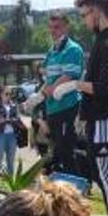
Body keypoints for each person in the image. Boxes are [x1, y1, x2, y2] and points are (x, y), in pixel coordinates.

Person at [59, 0, 108, 215]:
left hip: (105, 117)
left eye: (84, 15)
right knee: (100, 171)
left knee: (105, 173)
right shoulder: (106, 40)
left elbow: (107, 88)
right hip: (98, 117)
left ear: (97, 12)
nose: (83, 21)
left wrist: (75, 86)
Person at [24, 12, 84, 176]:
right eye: (50, 28)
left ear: (66, 27)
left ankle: (78, 190)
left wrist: (41, 96)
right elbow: (50, 80)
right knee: (58, 154)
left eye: (56, 27)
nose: (52, 31)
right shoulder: (52, 51)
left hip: (67, 108)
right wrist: (38, 96)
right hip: (53, 110)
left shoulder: (72, 49)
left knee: (66, 153)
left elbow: (66, 77)